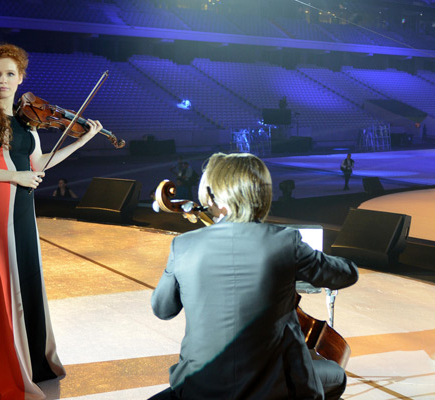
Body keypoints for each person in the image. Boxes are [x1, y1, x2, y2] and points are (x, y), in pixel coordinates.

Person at [0, 43, 102, 400]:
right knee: (3, 284)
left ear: (21, 78)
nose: (2, 80)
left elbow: (38, 165)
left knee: (26, 280)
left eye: (9, 73)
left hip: (22, 208)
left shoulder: (26, 122)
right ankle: (5, 367)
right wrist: (13, 178)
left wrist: (83, 141)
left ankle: (33, 361)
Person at [150, 152, 359, 399]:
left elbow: (162, 309)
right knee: (336, 375)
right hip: (274, 388)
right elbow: (347, 274)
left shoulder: (183, 245)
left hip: (199, 386)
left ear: (215, 195)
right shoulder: (284, 242)